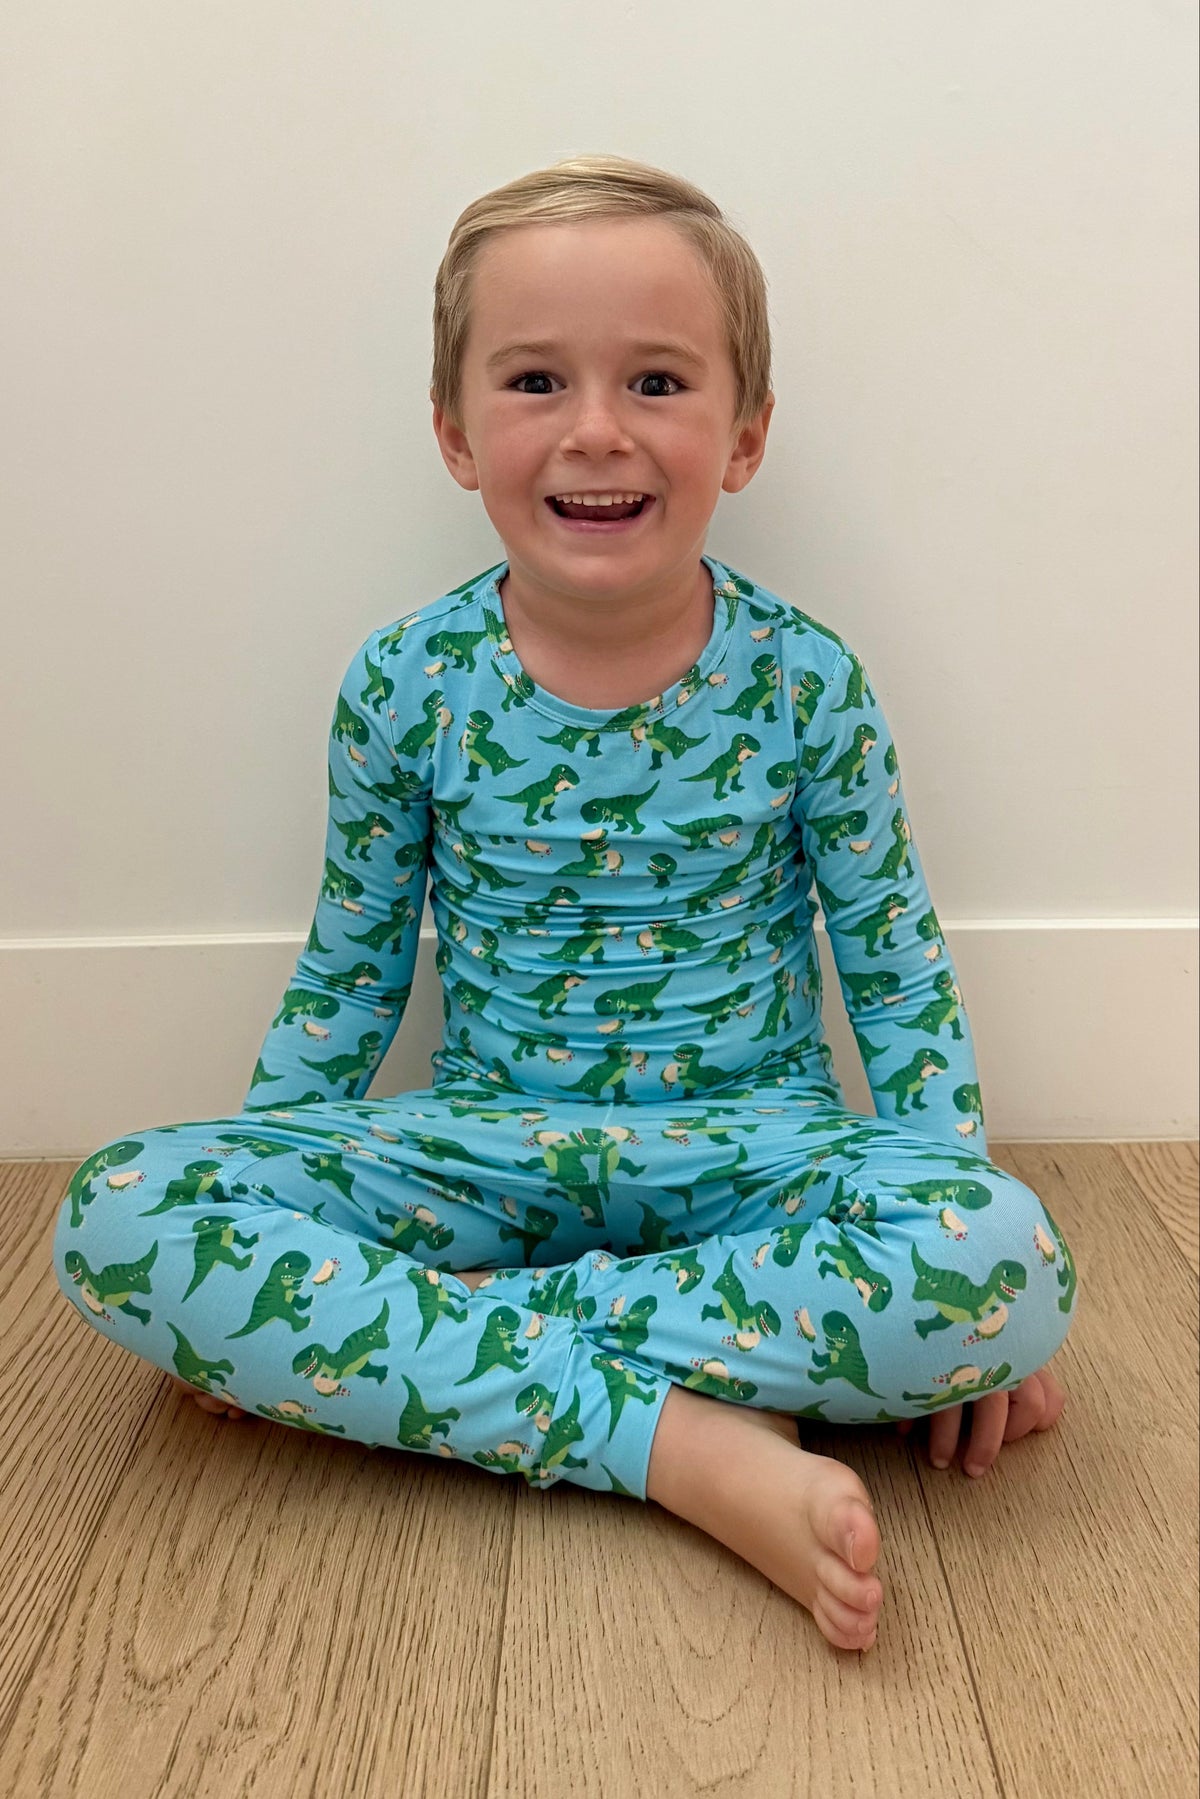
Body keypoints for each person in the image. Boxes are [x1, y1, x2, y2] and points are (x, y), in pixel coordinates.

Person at [53, 154, 1075, 1655]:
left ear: (748, 431)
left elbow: (895, 971)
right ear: (457, 435)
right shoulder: (406, 684)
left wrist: (981, 1305)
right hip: (481, 1156)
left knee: (1007, 1260)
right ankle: (687, 1438)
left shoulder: (812, 688)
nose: (597, 429)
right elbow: (346, 979)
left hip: (762, 1159)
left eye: (658, 380)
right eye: (536, 380)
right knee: (125, 1217)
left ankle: (436, 1354)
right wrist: (274, 1170)